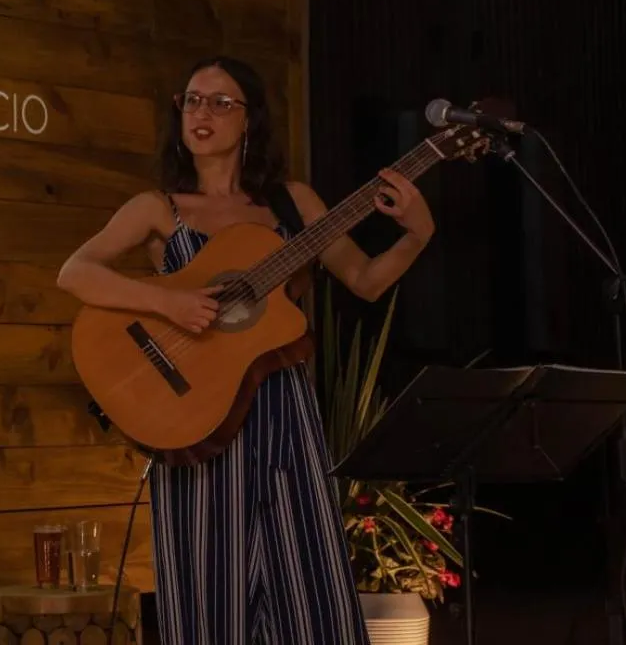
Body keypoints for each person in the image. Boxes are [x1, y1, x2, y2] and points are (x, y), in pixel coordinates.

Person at [56, 56, 434, 645]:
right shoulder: (159, 208)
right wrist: (169, 305)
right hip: (198, 426)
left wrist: (417, 234)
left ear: (250, 120)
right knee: (214, 613)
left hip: (286, 425)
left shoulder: (292, 206)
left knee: (315, 610)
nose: (201, 113)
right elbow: (75, 273)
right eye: (191, 100)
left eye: (219, 102)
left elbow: (364, 278)